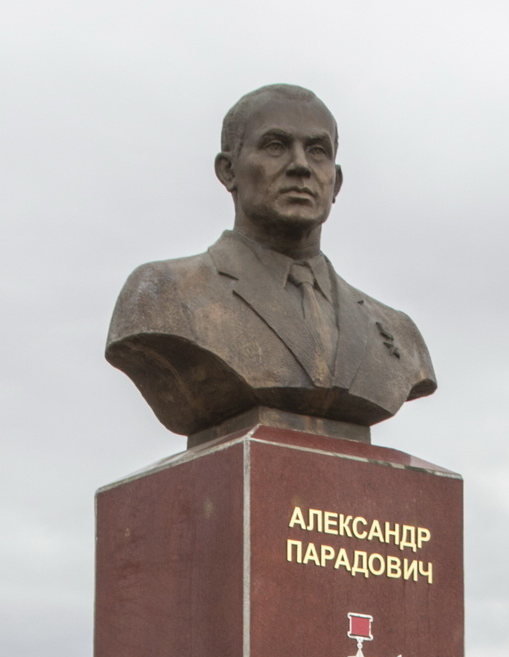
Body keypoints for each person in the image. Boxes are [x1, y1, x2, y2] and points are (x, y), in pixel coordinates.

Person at [106, 83, 436, 439]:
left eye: (317, 151)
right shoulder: (164, 295)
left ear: (336, 183)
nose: (300, 166)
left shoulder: (400, 333)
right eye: (276, 146)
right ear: (228, 171)